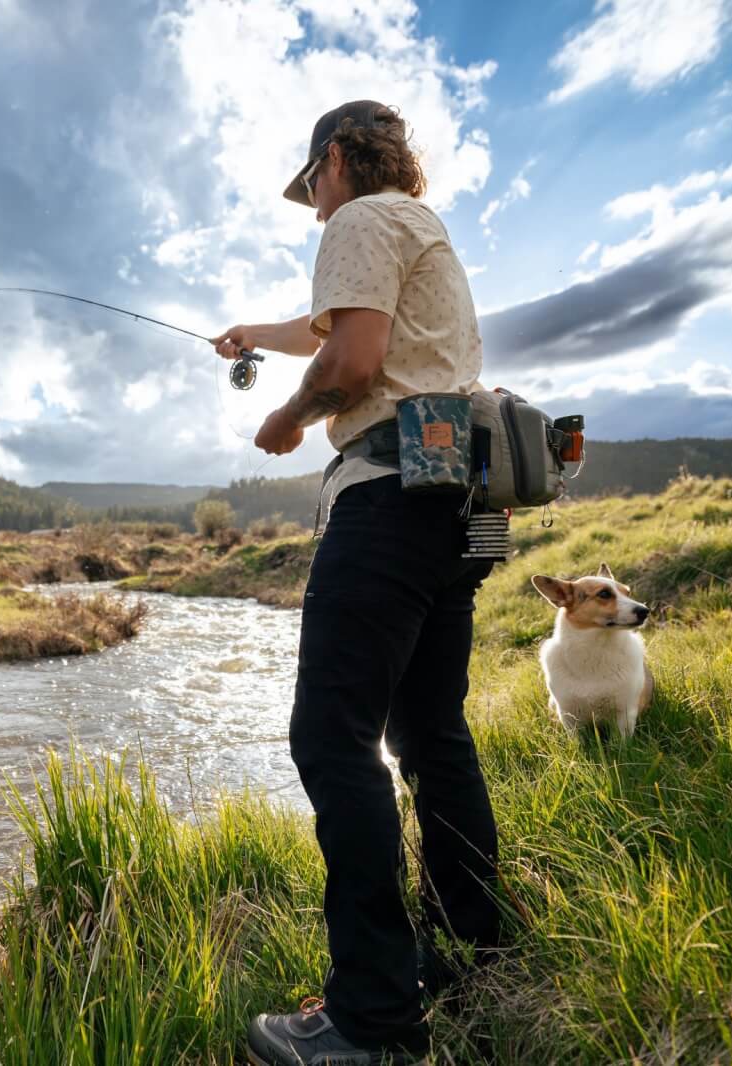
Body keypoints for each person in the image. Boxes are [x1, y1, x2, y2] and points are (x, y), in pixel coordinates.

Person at [211, 100, 501, 1064]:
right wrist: (255, 333)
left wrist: (289, 417)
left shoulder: (358, 219)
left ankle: (372, 1019)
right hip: (452, 504)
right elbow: (334, 323)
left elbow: (353, 357)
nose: (313, 208)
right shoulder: (422, 230)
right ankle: (473, 947)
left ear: (335, 160)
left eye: (312, 186)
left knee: (333, 739)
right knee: (430, 732)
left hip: (383, 501)